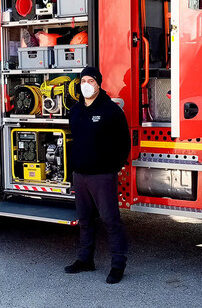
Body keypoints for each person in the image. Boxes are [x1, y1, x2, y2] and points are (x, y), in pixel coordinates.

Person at [64, 66, 131, 284]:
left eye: (91, 81)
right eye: (83, 80)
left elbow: (124, 143)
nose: (86, 85)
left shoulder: (111, 110)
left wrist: (114, 167)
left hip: (102, 176)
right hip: (80, 175)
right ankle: (85, 260)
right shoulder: (75, 111)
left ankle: (118, 265)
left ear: (99, 84)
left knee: (111, 221)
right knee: (84, 220)